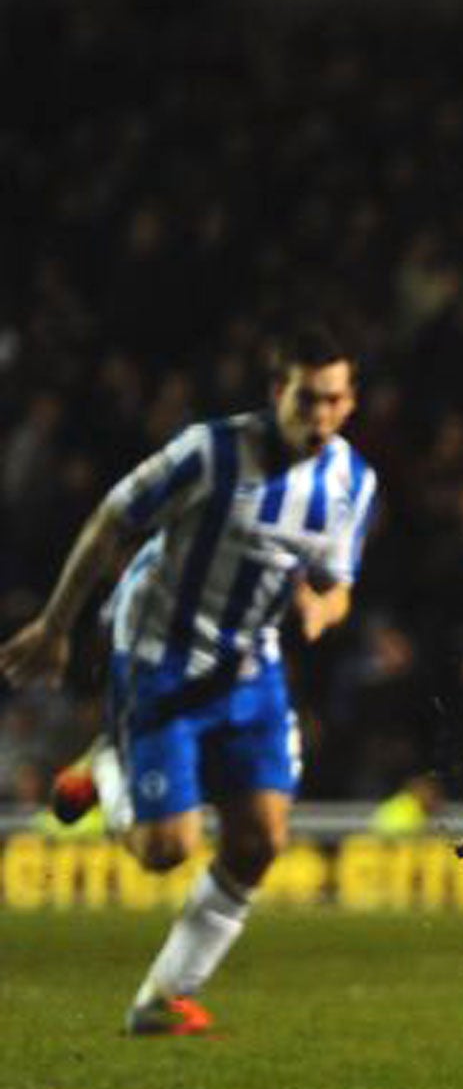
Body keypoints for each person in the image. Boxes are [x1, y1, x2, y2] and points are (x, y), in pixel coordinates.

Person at [0, 323, 376, 1036]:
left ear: (351, 401)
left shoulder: (352, 483)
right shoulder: (210, 453)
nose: (319, 416)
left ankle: (163, 996)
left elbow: (337, 582)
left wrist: (322, 610)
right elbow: (111, 522)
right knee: (163, 851)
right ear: (277, 393)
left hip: (249, 664)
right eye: (306, 399)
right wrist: (56, 625)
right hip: (159, 656)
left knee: (261, 840)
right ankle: (108, 763)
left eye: (333, 400)